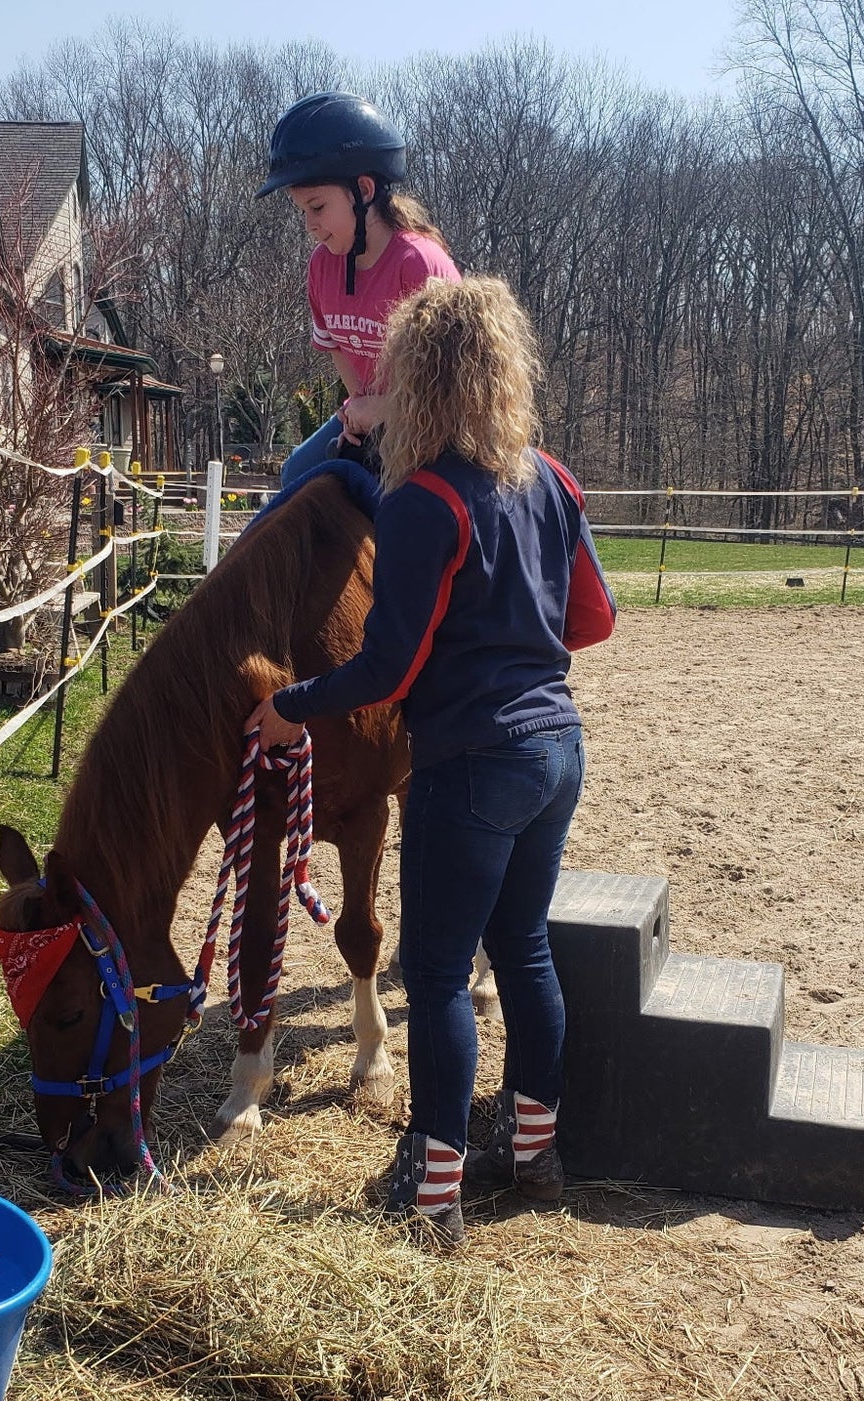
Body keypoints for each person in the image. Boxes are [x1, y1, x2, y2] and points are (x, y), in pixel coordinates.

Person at [247, 276, 618, 1244]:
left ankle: (433, 1186)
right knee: (525, 949)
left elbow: (386, 665)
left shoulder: (423, 501)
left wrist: (291, 708)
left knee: (440, 976)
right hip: (557, 747)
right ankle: (533, 1151)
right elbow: (595, 620)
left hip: (470, 757)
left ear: (412, 378)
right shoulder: (552, 478)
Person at [257, 92, 460, 487]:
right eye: (302, 211)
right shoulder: (321, 266)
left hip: (434, 427)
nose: (309, 225)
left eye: (317, 207)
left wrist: (382, 410)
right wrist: (359, 409)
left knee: (405, 508)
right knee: (296, 473)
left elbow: (451, 389)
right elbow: (338, 348)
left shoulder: (419, 265)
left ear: (364, 191)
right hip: (371, 417)